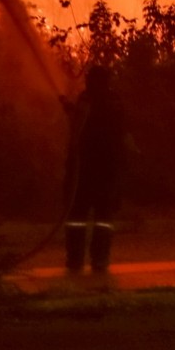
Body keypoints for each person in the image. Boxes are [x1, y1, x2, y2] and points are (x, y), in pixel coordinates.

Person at [63, 62, 128, 275]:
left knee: (78, 218)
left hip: (86, 169)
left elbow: (80, 128)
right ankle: (99, 260)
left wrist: (70, 109)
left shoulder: (87, 99)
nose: (88, 82)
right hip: (107, 170)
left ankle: (76, 261)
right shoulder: (114, 101)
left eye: (91, 79)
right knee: (102, 219)